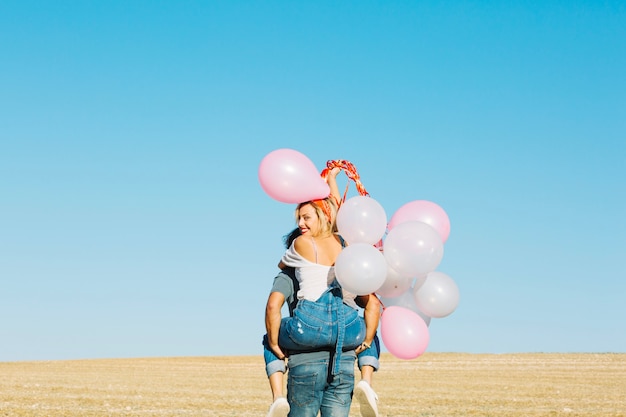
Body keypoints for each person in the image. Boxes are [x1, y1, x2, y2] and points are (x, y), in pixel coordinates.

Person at [263, 168, 382, 417]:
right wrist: (367, 340)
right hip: (347, 334)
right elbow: (338, 215)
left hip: (310, 326)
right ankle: (367, 380)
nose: (300, 224)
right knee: (369, 325)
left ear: (320, 215)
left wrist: (275, 342)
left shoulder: (301, 244)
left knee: (269, 335)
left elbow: (274, 302)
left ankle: (277, 397)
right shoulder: (345, 244)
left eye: (306, 218)